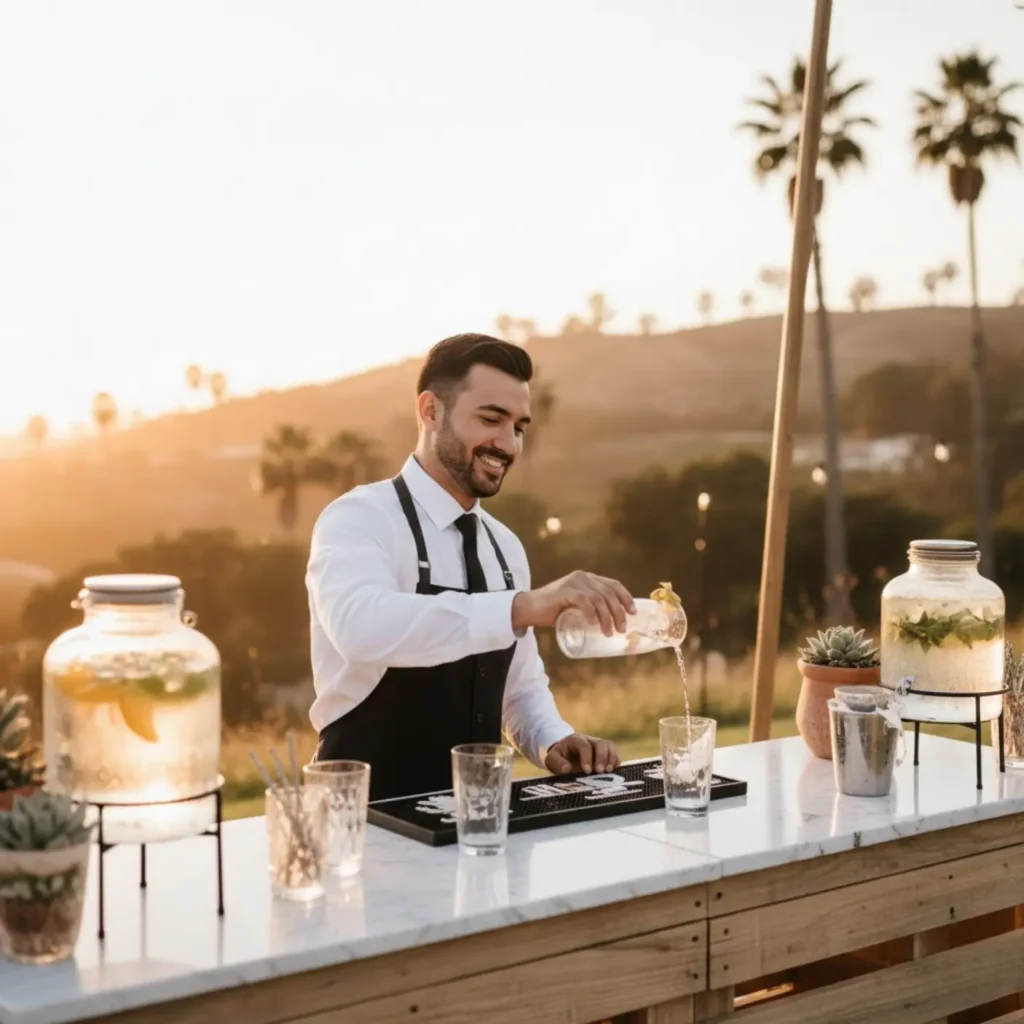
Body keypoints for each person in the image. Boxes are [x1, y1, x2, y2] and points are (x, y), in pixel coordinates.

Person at [305, 332, 635, 802]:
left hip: (481, 819)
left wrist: (553, 739)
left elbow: (518, 689)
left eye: (519, 427)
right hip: (365, 820)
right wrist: (521, 607)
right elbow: (360, 628)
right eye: (490, 419)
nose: (508, 444)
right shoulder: (359, 517)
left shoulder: (504, 546)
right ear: (430, 410)